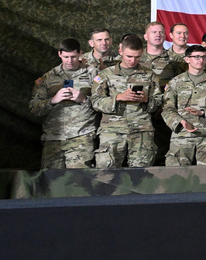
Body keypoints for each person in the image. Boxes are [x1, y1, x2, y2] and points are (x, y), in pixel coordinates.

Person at [91, 34, 163, 167]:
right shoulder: (105, 75)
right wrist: (118, 98)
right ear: (120, 51)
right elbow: (95, 102)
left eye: (137, 57)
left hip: (141, 131)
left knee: (141, 175)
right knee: (106, 172)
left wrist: (147, 99)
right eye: (129, 56)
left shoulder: (150, 75)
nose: (132, 60)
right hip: (112, 131)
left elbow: (159, 102)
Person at [28, 38, 97, 169]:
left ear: (80, 54)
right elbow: (34, 108)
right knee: (52, 182)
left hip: (81, 136)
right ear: (59, 54)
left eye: (73, 57)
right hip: (53, 138)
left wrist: (84, 99)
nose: (69, 61)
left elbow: (104, 103)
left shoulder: (93, 74)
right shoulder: (48, 78)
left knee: (79, 181)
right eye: (66, 57)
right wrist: (53, 100)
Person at [161, 45, 206, 166]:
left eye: (204, 57)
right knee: (177, 176)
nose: (201, 60)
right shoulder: (175, 82)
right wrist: (180, 121)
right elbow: (167, 108)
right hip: (181, 136)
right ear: (187, 59)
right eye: (197, 57)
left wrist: (203, 113)